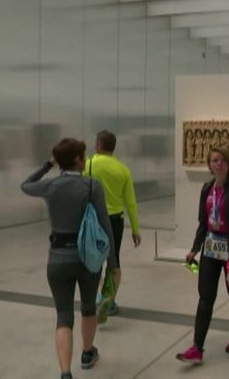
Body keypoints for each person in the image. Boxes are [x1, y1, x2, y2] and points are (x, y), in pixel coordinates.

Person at [21, 138, 118, 379]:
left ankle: (65, 373)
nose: (85, 160)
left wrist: (49, 164)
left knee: (63, 316)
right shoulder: (92, 186)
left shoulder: (50, 186)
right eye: (83, 156)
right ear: (76, 159)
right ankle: (87, 352)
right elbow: (106, 228)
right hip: (88, 259)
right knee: (87, 308)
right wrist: (113, 263)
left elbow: (25, 184)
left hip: (57, 260)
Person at [176, 147, 229, 364]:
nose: (219, 164)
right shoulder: (206, 189)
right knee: (205, 298)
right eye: (215, 160)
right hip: (211, 249)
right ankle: (197, 347)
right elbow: (203, 224)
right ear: (209, 164)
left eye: (223, 160)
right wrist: (194, 249)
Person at [85, 130, 141, 321]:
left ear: (99, 145)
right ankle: (108, 299)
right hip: (115, 221)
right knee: (113, 261)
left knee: (93, 261)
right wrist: (135, 229)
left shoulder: (89, 165)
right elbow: (131, 201)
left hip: (94, 220)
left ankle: (98, 298)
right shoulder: (123, 169)